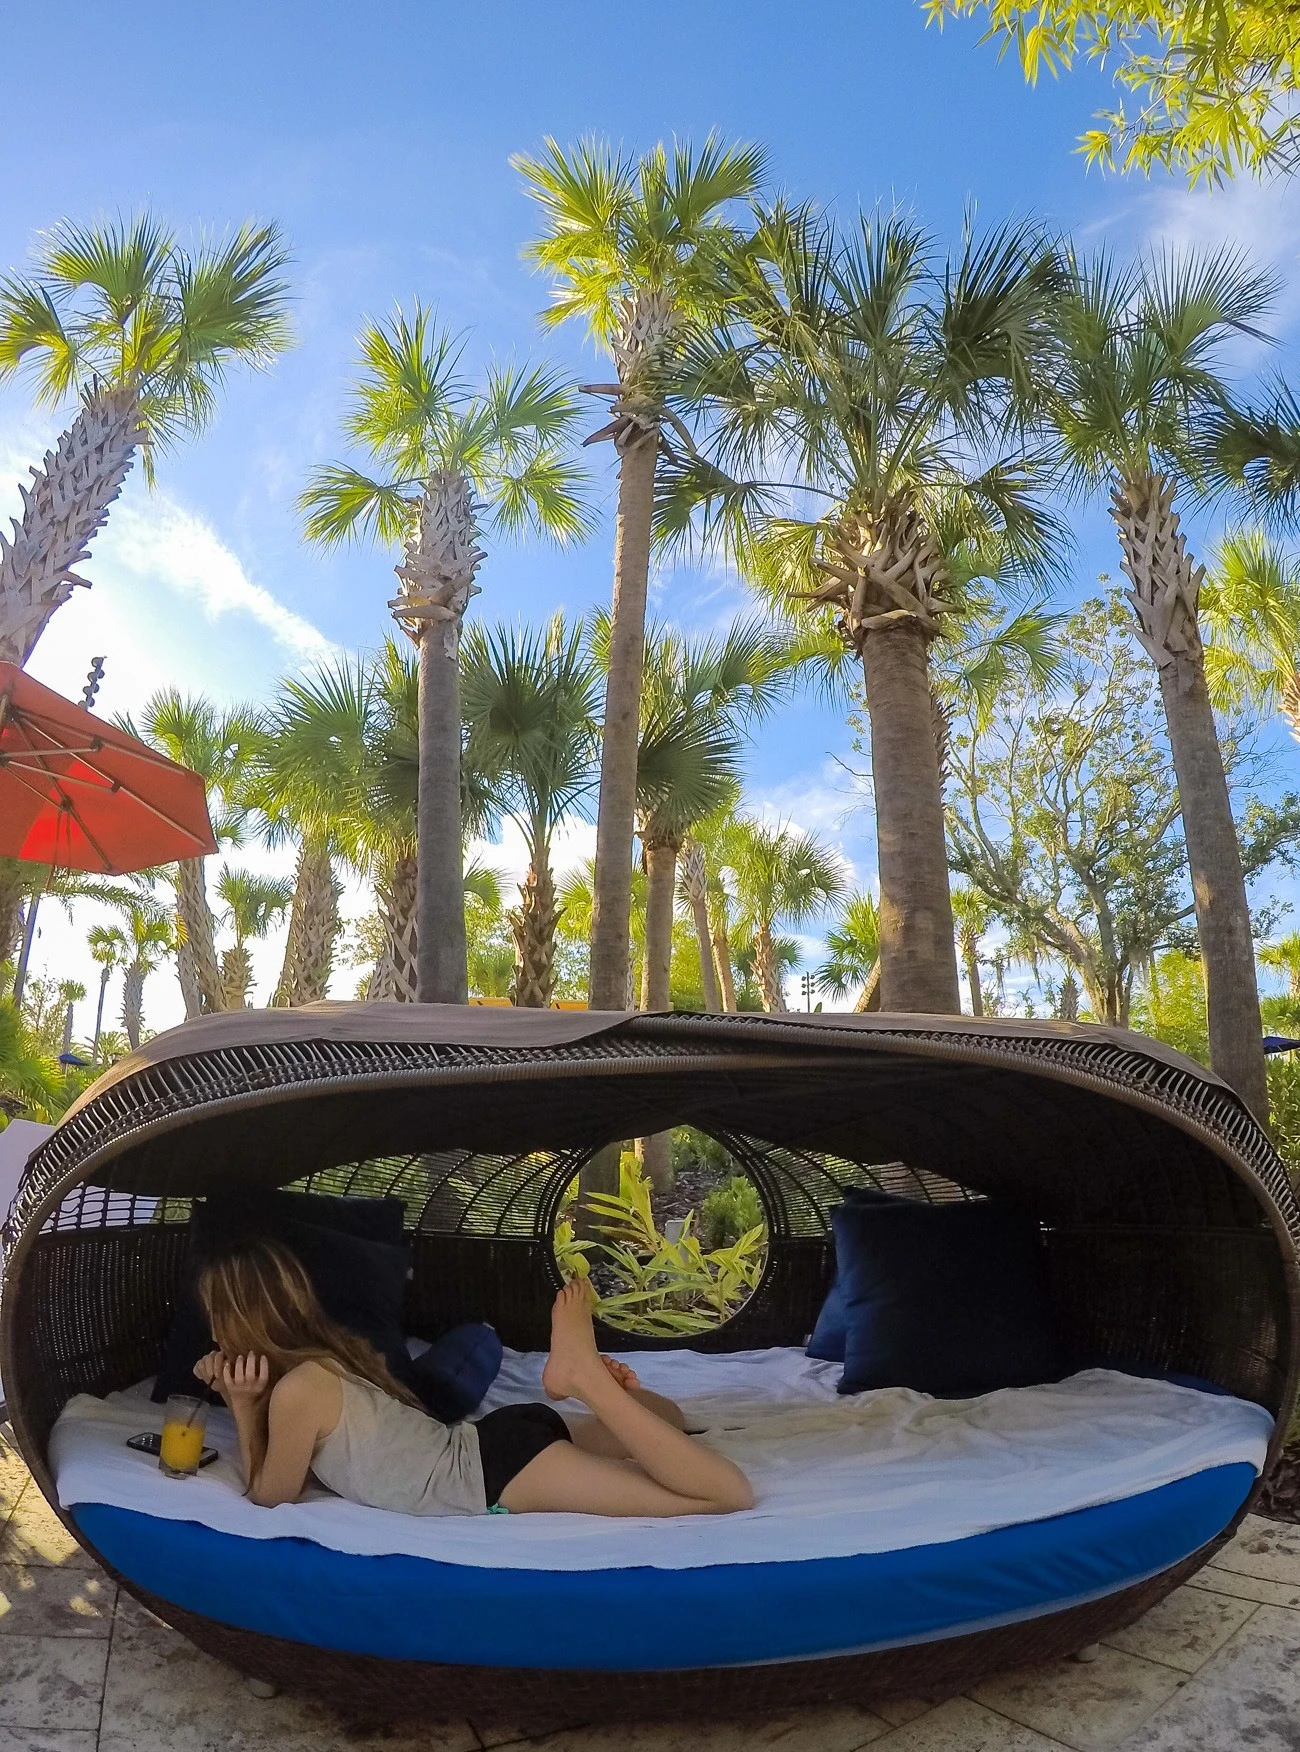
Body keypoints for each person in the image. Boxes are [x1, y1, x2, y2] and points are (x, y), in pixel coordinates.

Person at [194, 1238, 753, 1519]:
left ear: (239, 1319)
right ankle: (599, 1390)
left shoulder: (295, 1394)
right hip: (499, 1436)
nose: (214, 1333)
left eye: (215, 1319)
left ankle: (587, 1379)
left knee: (722, 1496)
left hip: (492, 1473)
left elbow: (269, 1497)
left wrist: (242, 1407)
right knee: (670, 1430)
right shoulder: (331, 1359)